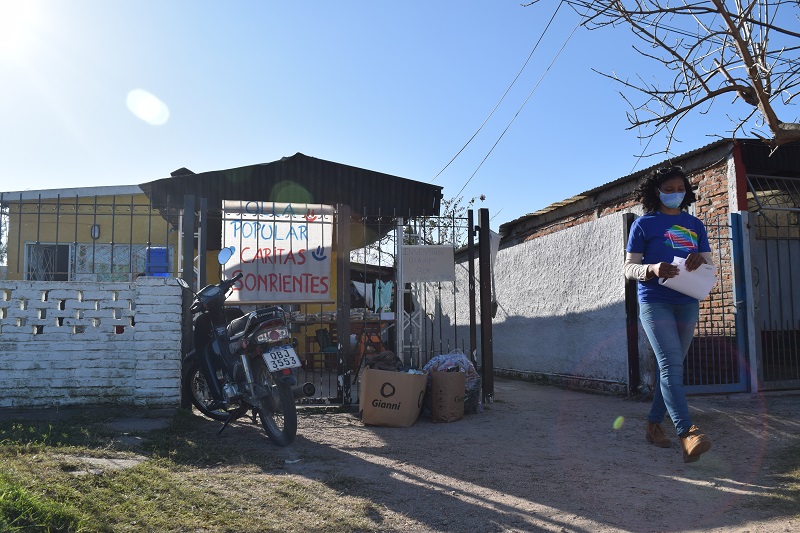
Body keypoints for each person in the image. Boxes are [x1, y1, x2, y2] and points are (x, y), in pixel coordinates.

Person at [624, 165, 713, 463]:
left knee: (672, 368)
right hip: (655, 300)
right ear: (656, 191)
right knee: (671, 365)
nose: (675, 194)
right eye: (669, 189)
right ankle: (687, 432)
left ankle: (652, 423)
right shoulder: (644, 225)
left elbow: (709, 264)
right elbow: (628, 268)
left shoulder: (696, 224)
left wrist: (700, 260)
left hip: (687, 300)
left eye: (680, 189)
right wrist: (651, 268)